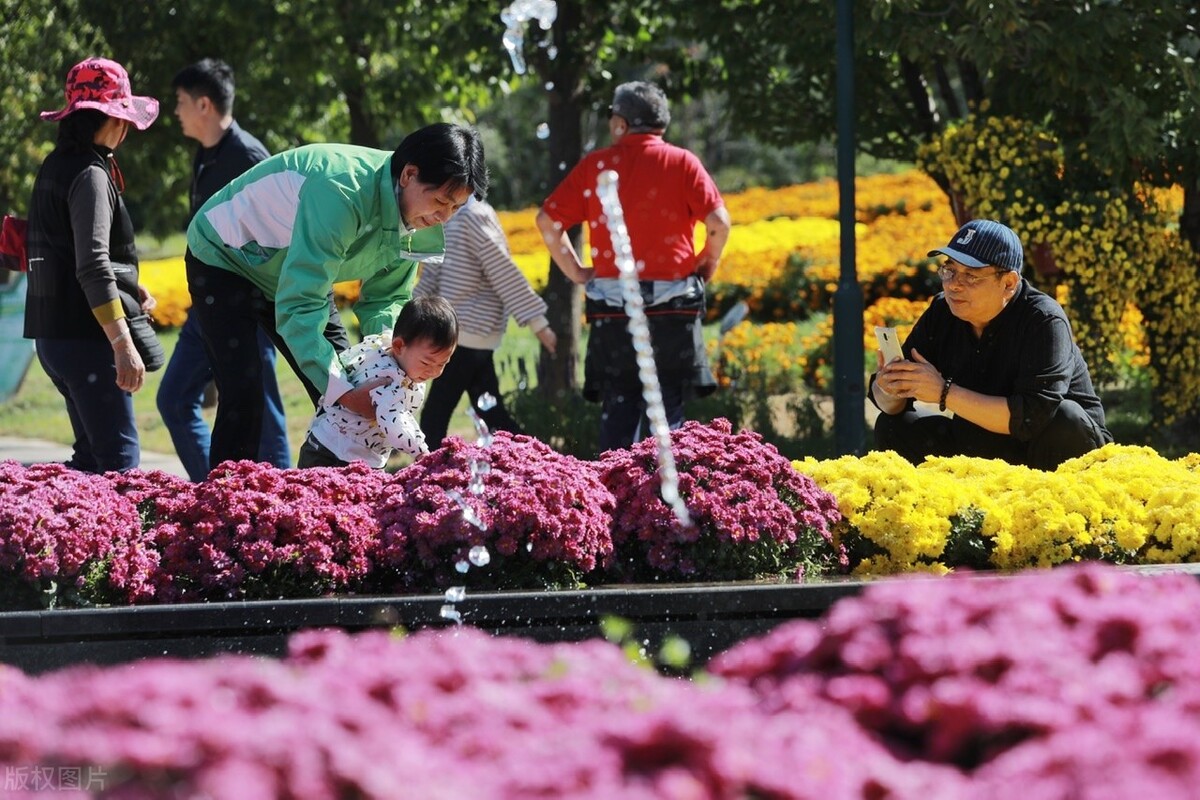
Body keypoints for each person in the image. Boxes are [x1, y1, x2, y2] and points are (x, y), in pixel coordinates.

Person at [185, 122, 488, 471]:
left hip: (298, 270)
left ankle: (339, 506)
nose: (443, 218)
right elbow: (300, 300)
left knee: (358, 380)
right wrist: (341, 390)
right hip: (225, 258)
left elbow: (386, 301)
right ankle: (226, 508)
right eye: (440, 202)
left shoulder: (422, 220)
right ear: (409, 174)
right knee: (245, 391)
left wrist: (393, 361)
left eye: (455, 208)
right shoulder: (341, 190)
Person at [536, 81, 732, 454]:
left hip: (614, 310)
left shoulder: (597, 166)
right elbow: (720, 224)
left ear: (620, 123)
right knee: (669, 411)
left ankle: (611, 495)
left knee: (619, 410)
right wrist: (706, 264)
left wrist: (578, 272)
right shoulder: (683, 162)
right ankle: (669, 498)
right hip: (675, 308)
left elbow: (547, 222)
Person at [870, 218, 1113, 470]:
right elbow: (891, 403)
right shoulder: (943, 311)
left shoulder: (1043, 319)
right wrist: (889, 387)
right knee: (893, 425)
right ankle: (932, 509)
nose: (953, 284)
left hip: (1045, 450)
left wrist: (944, 393)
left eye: (971, 276)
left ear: (1008, 283)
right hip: (979, 445)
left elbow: (1030, 418)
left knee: (1066, 418)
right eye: (949, 270)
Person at [23, 57, 160, 473]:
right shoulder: (91, 174)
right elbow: (93, 265)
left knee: (89, 460)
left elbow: (70, 251)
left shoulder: (55, 164)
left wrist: (130, 288)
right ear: (108, 118)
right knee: (119, 463)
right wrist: (122, 345)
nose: (127, 128)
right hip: (87, 341)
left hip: (53, 336)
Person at [157, 58, 291, 481]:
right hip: (206, 306)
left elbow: (280, 232)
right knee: (174, 399)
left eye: (179, 102)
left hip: (249, 308)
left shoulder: (248, 156)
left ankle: (285, 506)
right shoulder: (203, 155)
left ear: (203, 105)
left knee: (262, 416)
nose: (175, 111)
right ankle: (216, 495)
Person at [416, 195, 557, 448]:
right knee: (492, 414)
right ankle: (532, 461)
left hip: (469, 329)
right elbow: (432, 274)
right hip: (460, 331)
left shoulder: (473, 215)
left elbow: (502, 269)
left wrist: (538, 323)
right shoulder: (451, 215)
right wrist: (407, 315)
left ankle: (427, 476)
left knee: (434, 418)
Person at [298, 295, 457, 468]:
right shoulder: (388, 378)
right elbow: (393, 418)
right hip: (334, 454)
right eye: (426, 363)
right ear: (398, 346)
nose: (433, 371)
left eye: (442, 364)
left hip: (338, 446)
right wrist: (421, 451)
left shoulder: (386, 347)